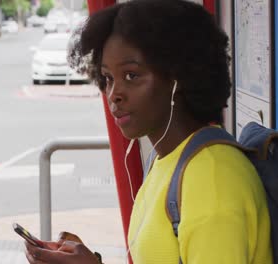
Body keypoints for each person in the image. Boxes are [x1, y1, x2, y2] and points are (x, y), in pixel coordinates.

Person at [24, 0, 273, 263]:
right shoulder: (166, 158)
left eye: (131, 75)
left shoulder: (212, 181)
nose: (114, 94)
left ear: (179, 78)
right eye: (108, 78)